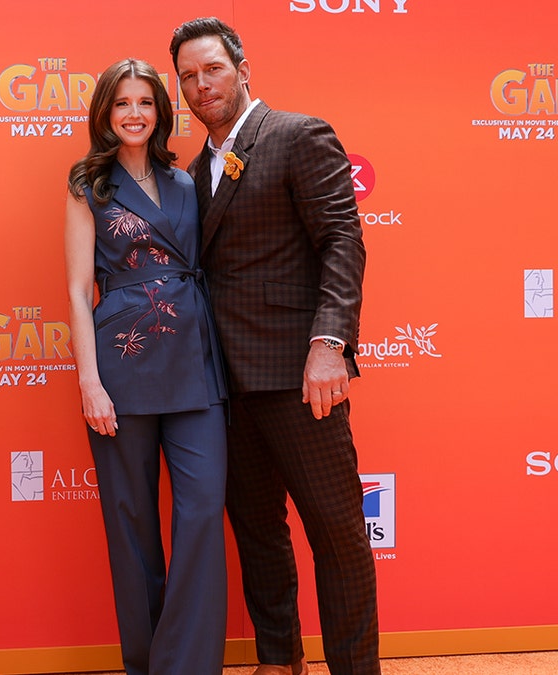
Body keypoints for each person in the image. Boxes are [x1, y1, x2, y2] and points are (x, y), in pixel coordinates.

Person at [169, 17, 379, 675]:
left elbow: (342, 240)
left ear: (242, 68)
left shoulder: (296, 135)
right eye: (189, 77)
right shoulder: (189, 172)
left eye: (213, 70)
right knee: (260, 537)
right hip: (224, 391)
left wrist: (329, 344)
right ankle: (278, 660)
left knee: (338, 535)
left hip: (298, 378)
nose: (202, 86)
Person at [64, 57, 229, 675]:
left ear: (162, 111)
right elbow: (80, 290)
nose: (134, 114)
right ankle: (145, 662)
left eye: (146, 103)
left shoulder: (189, 181)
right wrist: (90, 381)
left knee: (203, 510)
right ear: (105, 114)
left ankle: (182, 664)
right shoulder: (89, 185)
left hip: (195, 362)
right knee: (131, 524)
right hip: (123, 367)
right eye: (122, 103)